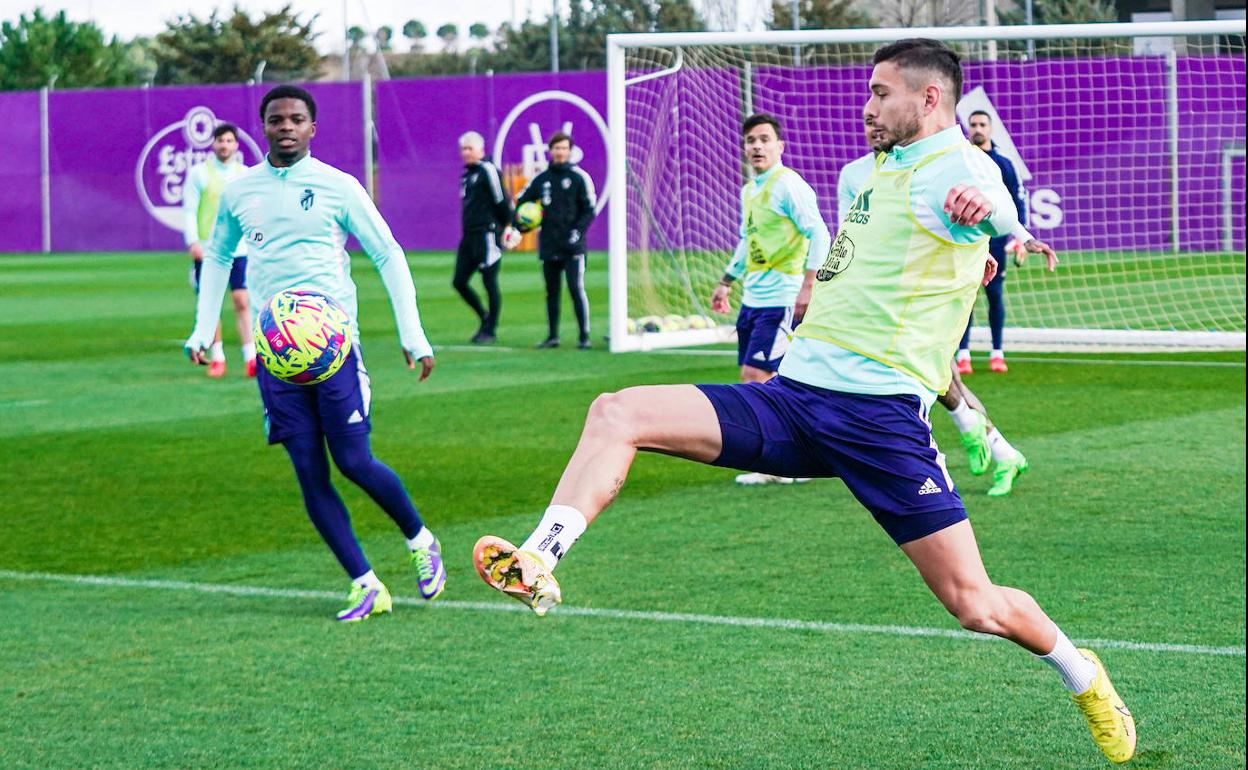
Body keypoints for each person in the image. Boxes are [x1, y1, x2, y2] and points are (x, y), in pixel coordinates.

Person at [472, 40, 1135, 765]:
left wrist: (992, 216)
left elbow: (993, 202)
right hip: (794, 398)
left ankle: (1085, 676)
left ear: (930, 99)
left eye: (882, 93)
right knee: (617, 411)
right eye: (870, 92)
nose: (867, 106)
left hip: (881, 423)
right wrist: (815, 288)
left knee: (973, 603)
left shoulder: (960, 167)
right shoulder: (869, 174)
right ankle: (538, 560)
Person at [184, 85, 446, 622]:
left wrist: (412, 332)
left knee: (353, 462)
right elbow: (217, 256)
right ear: (264, 127)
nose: (285, 126)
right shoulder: (241, 192)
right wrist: (203, 329)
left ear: (312, 128)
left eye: (296, 119)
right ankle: (365, 583)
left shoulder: (337, 186)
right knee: (308, 469)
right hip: (276, 359)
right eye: (276, 118)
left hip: (334, 351)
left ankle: (420, 539)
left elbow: (387, 253)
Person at [838, 130, 1057, 497]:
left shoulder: (933, 164)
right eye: (869, 113)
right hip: (884, 294)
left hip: (930, 289)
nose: (875, 121)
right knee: (939, 377)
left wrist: (1018, 236)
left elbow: (986, 206)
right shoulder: (856, 174)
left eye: (883, 102)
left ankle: (950, 459)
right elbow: (853, 234)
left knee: (932, 377)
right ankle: (996, 448)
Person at [709, 113, 831, 486]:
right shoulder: (751, 190)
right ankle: (795, 457)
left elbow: (821, 233)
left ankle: (776, 463)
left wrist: (809, 285)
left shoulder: (788, 185)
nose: (757, 146)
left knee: (756, 377)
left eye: (764, 139)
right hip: (754, 298)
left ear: (780, 146)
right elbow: (749, 241)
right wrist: (727, 281)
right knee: (768, 380)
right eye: (750, 140)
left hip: (782, 296)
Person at [182, 123, 254, 378]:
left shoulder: (245, 174)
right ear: (213, 144)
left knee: (242, 300)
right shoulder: (199, 173)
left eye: (229, 141)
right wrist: (193, 241)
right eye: (220, 141)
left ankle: (251, 357)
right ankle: (218, 356)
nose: (224, 145)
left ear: (236, 145)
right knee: (210, 303)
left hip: (240, 250)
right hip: (209, 250)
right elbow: (190, 210)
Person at [956, 110, 1026, 374]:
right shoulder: (963, 162)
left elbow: (1017, 201)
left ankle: (997, 352)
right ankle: (963, 354)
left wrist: (1020, 237)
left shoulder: (1003, 164)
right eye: (973, 124)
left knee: (995, 295)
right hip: (967, 241)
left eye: (982, 124)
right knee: (966, 298)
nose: (977, 128)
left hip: (995, 241)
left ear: (991, 129)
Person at [513, 132, 597, 350]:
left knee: (576, 288)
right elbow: (523, 202)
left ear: (570, 151)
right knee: (551, 292)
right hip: (549, 243)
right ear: (550, 151)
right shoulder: (542, 179)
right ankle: (552, 336)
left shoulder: (579, 177)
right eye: (556, 148)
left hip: (573, 246)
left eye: (563, 148)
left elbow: (589, 209)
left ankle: (584, 336)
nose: (560, 152)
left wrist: (578, 231)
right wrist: (523, 223)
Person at [455, 131, 511, 344]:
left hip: (487, 234)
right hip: (469, 237)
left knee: (489, 281)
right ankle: (484, 317)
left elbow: (501, 200)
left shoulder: (488, 170)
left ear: (481, 150)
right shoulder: (467, 174)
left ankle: (490, 328)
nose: (466, 152)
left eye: (470, 148)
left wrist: (508, 225)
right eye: (464, 149)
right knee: (459, 281)